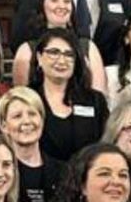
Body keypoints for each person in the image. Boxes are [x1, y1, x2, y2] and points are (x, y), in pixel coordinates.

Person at [11, 0, 108, 93]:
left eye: (67, 1)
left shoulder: (88, 47)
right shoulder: (27, 50)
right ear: (42, 5)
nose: (62, 6)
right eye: (54, 0)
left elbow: (99, 95)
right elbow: (22, 96)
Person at [29, 28, 109, 161]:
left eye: (69, 54)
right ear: (39, 58)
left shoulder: (94, 100)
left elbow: (105, 144)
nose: (62, 61)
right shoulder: (27, 99)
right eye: (54, 53)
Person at [0, 86, 65, 202]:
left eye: (32, 114)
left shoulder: (63, 171)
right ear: (4, 125)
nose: (26, 121)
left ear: (42, 120)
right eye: (17, 116)